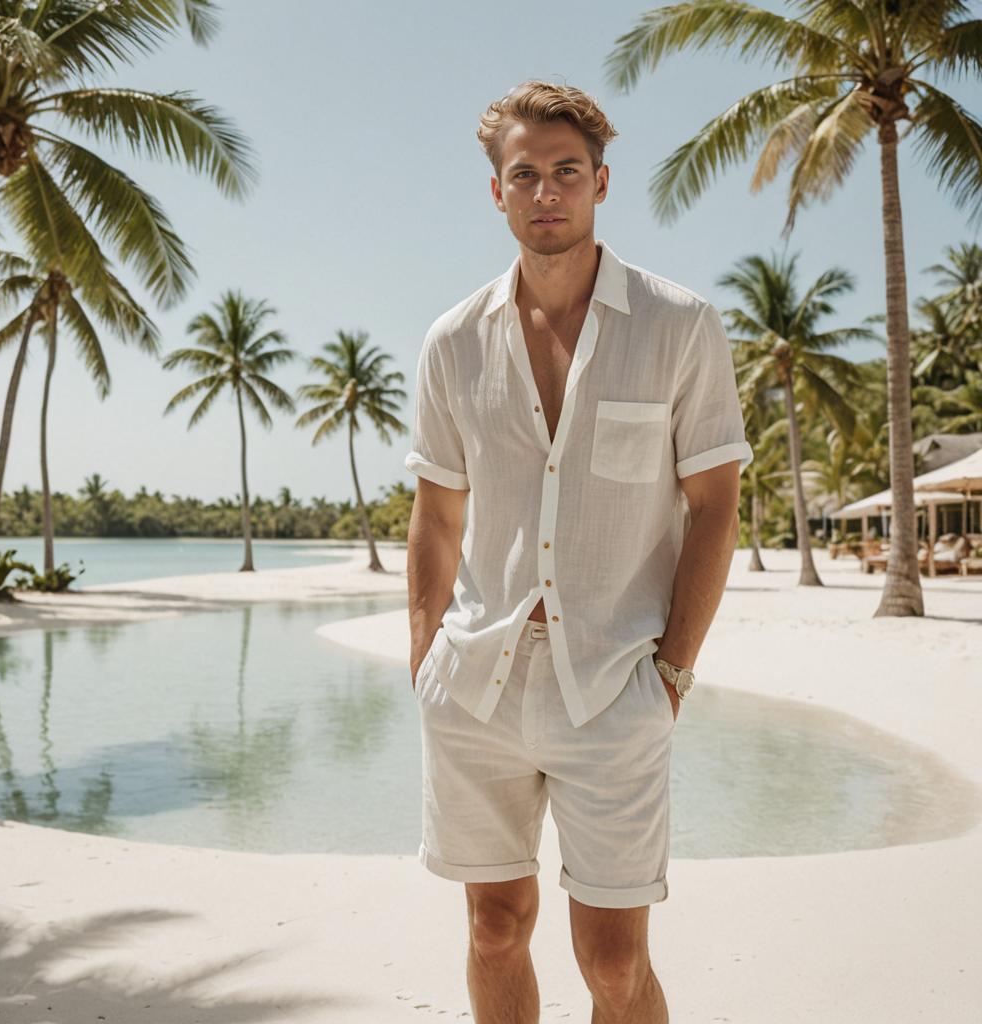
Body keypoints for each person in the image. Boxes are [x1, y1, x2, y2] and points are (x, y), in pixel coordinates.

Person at [404, 79, 753, 1023]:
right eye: (526, 175)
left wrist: (675, 667)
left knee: (611, 961)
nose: (546, 192)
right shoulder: (452, 343)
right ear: (498, 193)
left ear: (601, 183)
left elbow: (715, 506)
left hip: (614, 679)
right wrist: (424, 657)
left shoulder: (680, 326)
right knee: (494, 928)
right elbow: (437, 514)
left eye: (567, 173)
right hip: (479, 678)